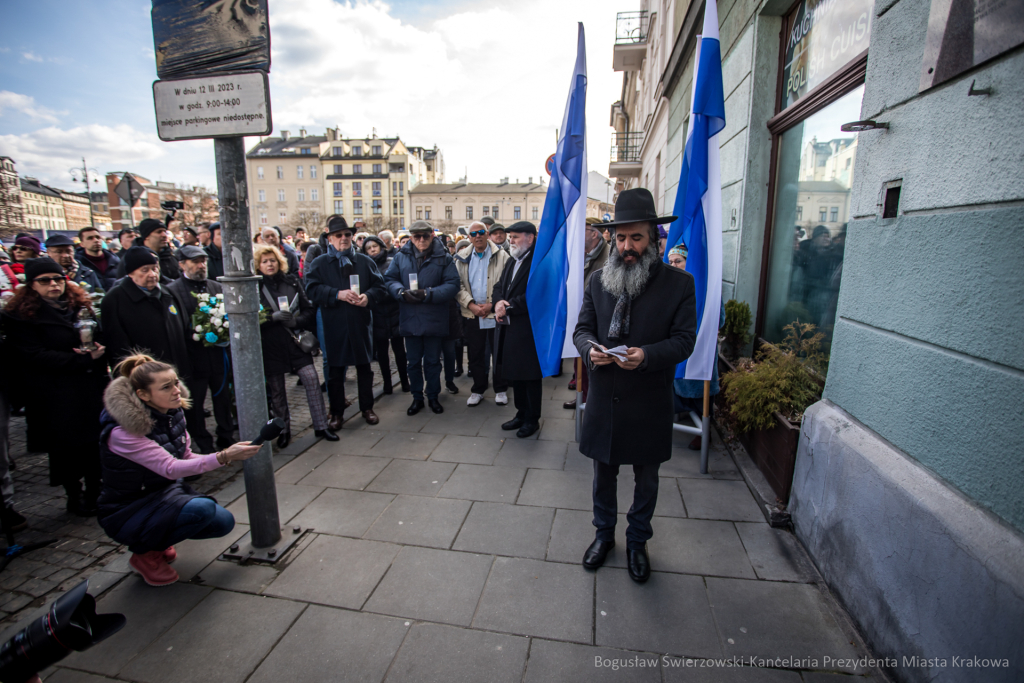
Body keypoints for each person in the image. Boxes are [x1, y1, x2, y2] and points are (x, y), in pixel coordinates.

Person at [573, 188, 697, 583]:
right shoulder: (597, 281)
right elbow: (582, 330)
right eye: (621, 237)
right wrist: (590, 349)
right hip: (605, 398)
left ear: (654, 240)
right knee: (603, 476)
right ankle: (603, 535)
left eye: (636, 237)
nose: (627, 246)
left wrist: (646, 356)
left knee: (646, 479)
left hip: (648, 400)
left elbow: (684, 341)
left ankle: (638, 541)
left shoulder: (680, 284)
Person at [97, 353, 261, 586]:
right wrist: (224, 456)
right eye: (166, 387)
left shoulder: (172, 413)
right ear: (143, 395)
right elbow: (171, 468)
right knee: (202, 510)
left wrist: (227, 456)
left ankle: (158, 539)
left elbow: (185, 455)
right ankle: (145, 554)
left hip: (163, 493)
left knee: (223, 522)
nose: (176, 390)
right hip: (128, 507)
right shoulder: (123, 432)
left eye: (175, 382)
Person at [1, 258, 108, 516]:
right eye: (45, 280)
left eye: (58, 279)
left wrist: (99, 352)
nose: (53, 285)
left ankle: (96, 491)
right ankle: (75, 494)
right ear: (32, 284)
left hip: (87, 387)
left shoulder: (79, 306)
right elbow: (32, 355)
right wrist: (81, 359)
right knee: (65, 449)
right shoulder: (21, 316)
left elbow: (97, 335)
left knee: (94, 442)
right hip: (53, 392)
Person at [306, 216, 388, 426]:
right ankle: (337, 413)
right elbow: (312, 289)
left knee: (364, 368)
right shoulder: (320, 263)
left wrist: (368, 297)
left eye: (347, 234)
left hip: (360, 322)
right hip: (334, 324)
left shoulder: (364, 261)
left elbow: (381, 287)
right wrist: (336, 294)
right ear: (329, 238)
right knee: (335, 371)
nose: (343, 238)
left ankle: (367, 408)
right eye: (338, 235)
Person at [254, 244, 336, 445]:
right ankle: (283, 431)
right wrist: (270, 318)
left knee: (311, 381)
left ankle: (321, 426)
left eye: (272, 260)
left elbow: (308, 309)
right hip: (271, 346)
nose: (269, 264)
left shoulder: (291, 281)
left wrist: (296, 322)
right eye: (265, 261)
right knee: (277, 393)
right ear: (258, 265)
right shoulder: (254, 287)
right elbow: (249, 319)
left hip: (295, 342)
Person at [384, 220, 460, 415]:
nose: (421, 240)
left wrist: (428, 294)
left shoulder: (444, 257)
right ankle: (417, 397)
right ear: (411, 238)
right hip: (410, 317)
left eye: (425, 236)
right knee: (413, 362)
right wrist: (400, 292)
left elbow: (452, 284)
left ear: (432, 236)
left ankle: (433, 396)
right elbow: (390, 279)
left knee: (433, 361)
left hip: (434, 317)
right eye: (417, 236)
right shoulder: (401, 257)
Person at [101, 246, 194, 406]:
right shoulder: (114, 300)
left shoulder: (167, 293)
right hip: (146, 380)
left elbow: (185, 330)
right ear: (130, 273)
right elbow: (117, 346)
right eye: (144, 270)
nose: (152, 274)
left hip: (176, 373)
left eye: (154, 269)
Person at [166, 246, 235, 451]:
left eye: (203, 261)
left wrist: (222, 332)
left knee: (223, 398)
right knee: (194, 403)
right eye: (195, 261)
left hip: (218, 356)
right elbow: (175, 325)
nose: (201, 265)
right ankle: (202, 441)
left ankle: (226, 435)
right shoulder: (173, 290)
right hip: (193, 358)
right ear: (182, 264)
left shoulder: (216, 286)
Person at [493, 221, 542, 437]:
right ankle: (520, 414)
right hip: (510, 329)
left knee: (530, 376)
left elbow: (537, 294)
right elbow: (498, 286)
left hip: (528, 330)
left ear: (530, 238)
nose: (510, 241)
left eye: (515, 237)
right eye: (510, 237)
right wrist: (497, 303)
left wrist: (509, 306)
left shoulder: (538, 261)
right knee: (517, 375)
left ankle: (532, 419)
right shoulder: (512, 261)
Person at [455, 221, 510, 407]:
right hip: (472, 314)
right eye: (473, 234)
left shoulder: (502, 256)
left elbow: (506, 284)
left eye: (481, 232)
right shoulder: (461, 257)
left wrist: (492, 305)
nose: (477, 236)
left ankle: (501, 389)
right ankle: (478, 389)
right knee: (475, 353)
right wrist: (470, 305)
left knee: (499, 352)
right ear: (468, 237)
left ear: (487, 233)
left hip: (495, 313)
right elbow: (458, 285)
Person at [564, 218, 611, 411]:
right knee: (580, 361)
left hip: (597, 317)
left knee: (594, 363)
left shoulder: (609, 255)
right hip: (580, 314)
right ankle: (582, 395)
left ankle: (593, 401)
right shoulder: (578, 253)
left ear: (594, 233)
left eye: (582, 230)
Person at [362, 235, 409, 394]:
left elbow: (397, 284)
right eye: (368, 248)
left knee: (399, 350)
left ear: (381, 246)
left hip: (394, 310)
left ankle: (404, 381)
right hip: (377, 313)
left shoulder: (391, 262)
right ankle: (387, 383)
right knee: (381, 353)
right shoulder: (365, 266)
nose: (372, 250)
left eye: (374, 246)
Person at [116, 219, 181, 282]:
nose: (164, 235)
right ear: (147, 236)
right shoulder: (131, 258)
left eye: (165, 232)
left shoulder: (170, 256)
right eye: (159, 232)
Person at [76, 226, 122, 290]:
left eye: (98, 237)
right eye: (90, 238)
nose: (96, 240)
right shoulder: (78, 265)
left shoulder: (116, 260)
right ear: (82, 244)